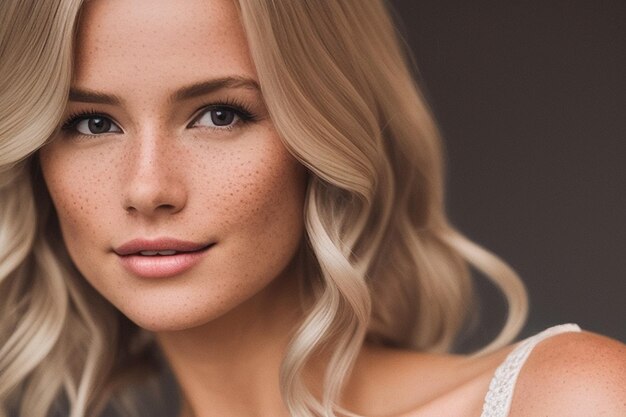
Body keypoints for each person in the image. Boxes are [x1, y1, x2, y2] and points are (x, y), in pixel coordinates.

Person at [0, 0, 624, 416]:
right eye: (89, 124)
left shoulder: (567, 398)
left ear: (323, 133)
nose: (146, 188)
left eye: (220, 115)